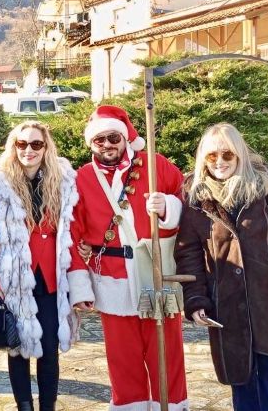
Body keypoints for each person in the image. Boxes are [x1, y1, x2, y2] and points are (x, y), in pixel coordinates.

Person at [67, 105, 188, 410]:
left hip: (156, 272)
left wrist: (168, 207)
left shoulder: (156, 165)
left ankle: (171, 405)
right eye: (99, 140)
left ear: (124, 138)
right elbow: (72, 232)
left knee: (167, 354)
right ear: (91, 143)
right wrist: (80, 287)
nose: (107, 145)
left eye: (113, 138)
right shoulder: (81, 178)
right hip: (112, 276)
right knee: (123, 359)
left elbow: (187, 201)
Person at [174, 123, 268, 411]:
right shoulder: (196, 200)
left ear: (239, 154)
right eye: (212, 155)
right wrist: (196, 299)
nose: (219, 162)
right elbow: (188, 252)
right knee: (241, 379)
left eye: (227, 154)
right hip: (227, 304)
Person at [0, 121, 78, 411]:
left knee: (49, 349)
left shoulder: (63, 182)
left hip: (51, 279)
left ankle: (48, 406)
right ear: (13, 147)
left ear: (46, 147)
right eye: (22, 144)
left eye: (36, 144)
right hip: (13, 279)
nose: (28, 150)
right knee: (17, 349)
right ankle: (24, 406)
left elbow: (74, 230)